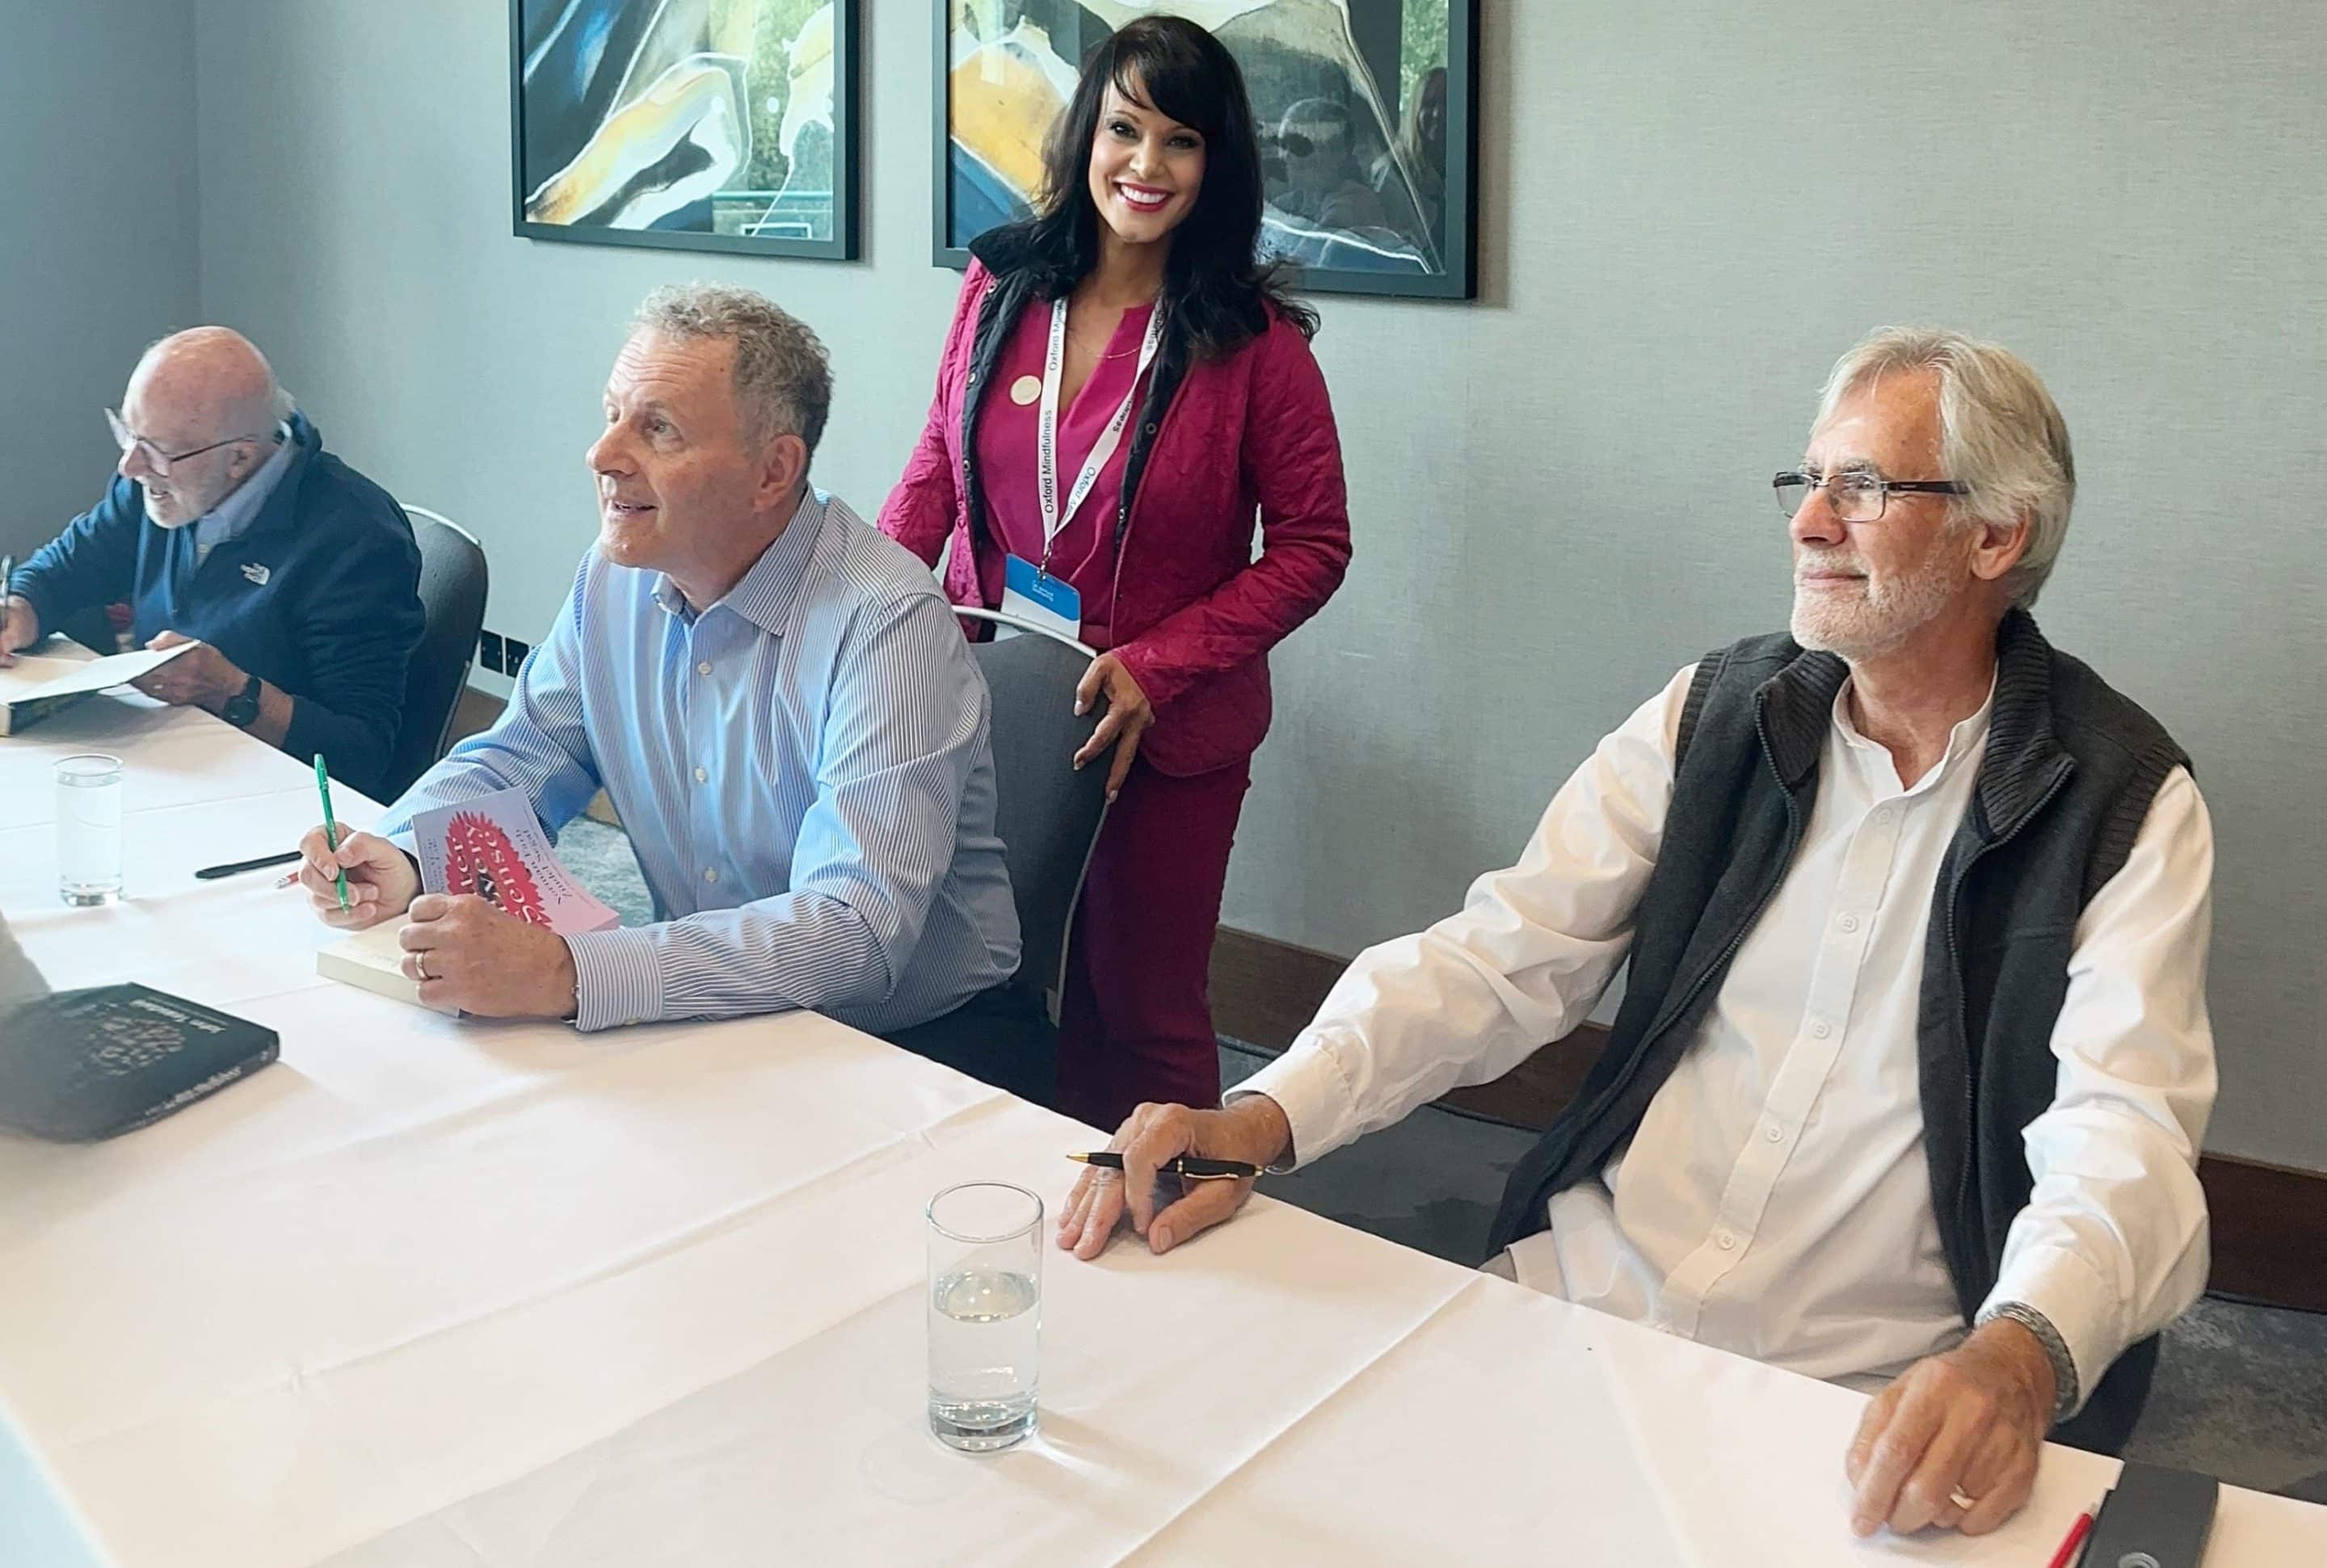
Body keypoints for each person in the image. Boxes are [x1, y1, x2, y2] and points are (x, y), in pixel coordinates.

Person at [1058, 329, 2217, 1540]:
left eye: (1864, 487)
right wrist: (1264, 1112)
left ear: (1996, 535)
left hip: (1865, 1413)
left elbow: (2122, 1140)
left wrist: (2019, 1356)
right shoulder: (1716, 714)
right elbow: (1501, 954)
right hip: (1580, 1311)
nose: (1809, 521)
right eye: (1807, 480)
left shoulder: (2119, 802)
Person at [297, 286, 1041, 1099]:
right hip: (712, 1007)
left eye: (658, 429)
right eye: (612, 413)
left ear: (773, 471)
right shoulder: (615, 577)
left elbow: (854, 934)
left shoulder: (885, 624)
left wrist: (571, 972)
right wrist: (403, 851)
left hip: (909, 1049)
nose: (603, 454)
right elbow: (520, 756)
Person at [882, 15, 1353, 1130]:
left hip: (1164, 730)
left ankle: (1168, 1226)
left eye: (1180, 141)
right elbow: (936, 470)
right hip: (992, 701)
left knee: (1139, 1012)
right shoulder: (999, 285)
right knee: (972, 970)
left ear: (1215, 165)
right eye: (1125, 129)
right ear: (1086, 131)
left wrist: (1159, 663)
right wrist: (875, 615)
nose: (1145, 165)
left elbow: (1314, 545)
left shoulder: (1257, 344)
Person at [1, 328, 423, 798]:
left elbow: (360, 755)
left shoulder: (355, 540)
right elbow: (65, 570)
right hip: (166, 760)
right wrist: (17, 610)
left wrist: (230, 690)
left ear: (239, 457)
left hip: (273, 799)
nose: (130, 467)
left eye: (157, 451)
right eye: (128, 434)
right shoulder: (156, 487)